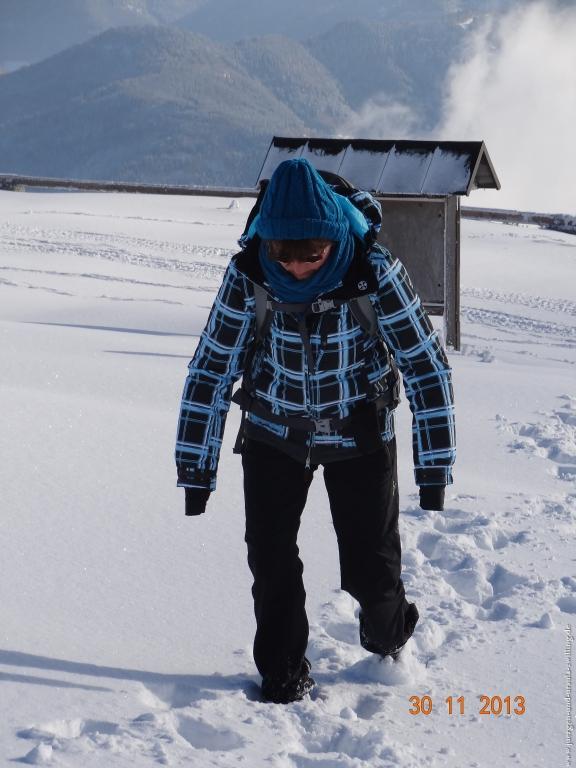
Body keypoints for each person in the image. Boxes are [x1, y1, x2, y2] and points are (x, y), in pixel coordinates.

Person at [175, 158, 456, 704]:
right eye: (284, 254)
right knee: (271, 560)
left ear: (331, 237)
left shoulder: (373, 273)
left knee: (372, 574)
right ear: (266, 243)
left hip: (360, 435)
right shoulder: (249, 275)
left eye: (312, 255)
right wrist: (195, 470)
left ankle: (390, 635)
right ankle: (282, 672)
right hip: (272, 435)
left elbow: (426, 365)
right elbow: (211, 368)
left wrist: (433, 470)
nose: (298, 268)